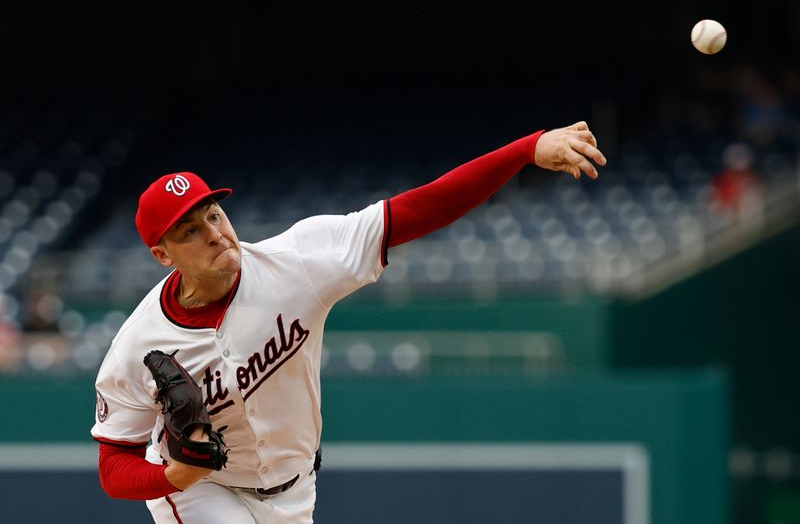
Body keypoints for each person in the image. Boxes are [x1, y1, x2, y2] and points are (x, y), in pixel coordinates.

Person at [90, 121, 606, 523]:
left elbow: (418, 209)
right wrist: (172, 477)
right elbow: (114, 463)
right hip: (204, 492)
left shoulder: (298, 262)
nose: (214, 233)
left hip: (294, 489)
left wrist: (524, 149)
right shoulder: (139, 343)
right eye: (189, 230)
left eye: (213, 215)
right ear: (162, 255)